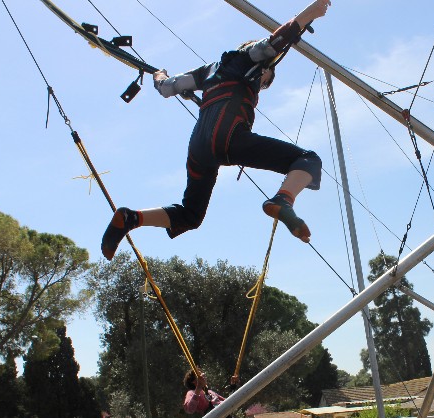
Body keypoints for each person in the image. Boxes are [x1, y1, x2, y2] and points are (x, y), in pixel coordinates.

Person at [100, 0, 332, 260]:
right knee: (309, 160)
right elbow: (275, 43)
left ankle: (132, 218)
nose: (263, 86)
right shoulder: (248, 58)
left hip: (198, 146)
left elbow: (166, 87)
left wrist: (159, 74)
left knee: (191, 214)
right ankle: (283, 200)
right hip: (228, 136)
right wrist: (311, 12)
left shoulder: (207, 71)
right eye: (266, 82)